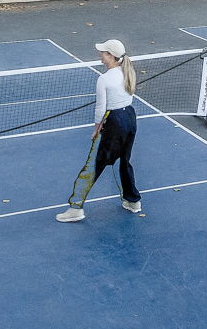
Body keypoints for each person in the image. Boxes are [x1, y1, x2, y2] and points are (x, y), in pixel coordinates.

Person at [56, 39, 145, 222]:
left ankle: (76, 208)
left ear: (111, 56)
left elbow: (101, 108)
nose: (101, 56)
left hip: (113, 123)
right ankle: (133, 201)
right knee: (124, 161)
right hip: (130, 117)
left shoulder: (104, 79)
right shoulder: (127, 72)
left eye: (103, 53)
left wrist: (97, 130)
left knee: (93, 165)